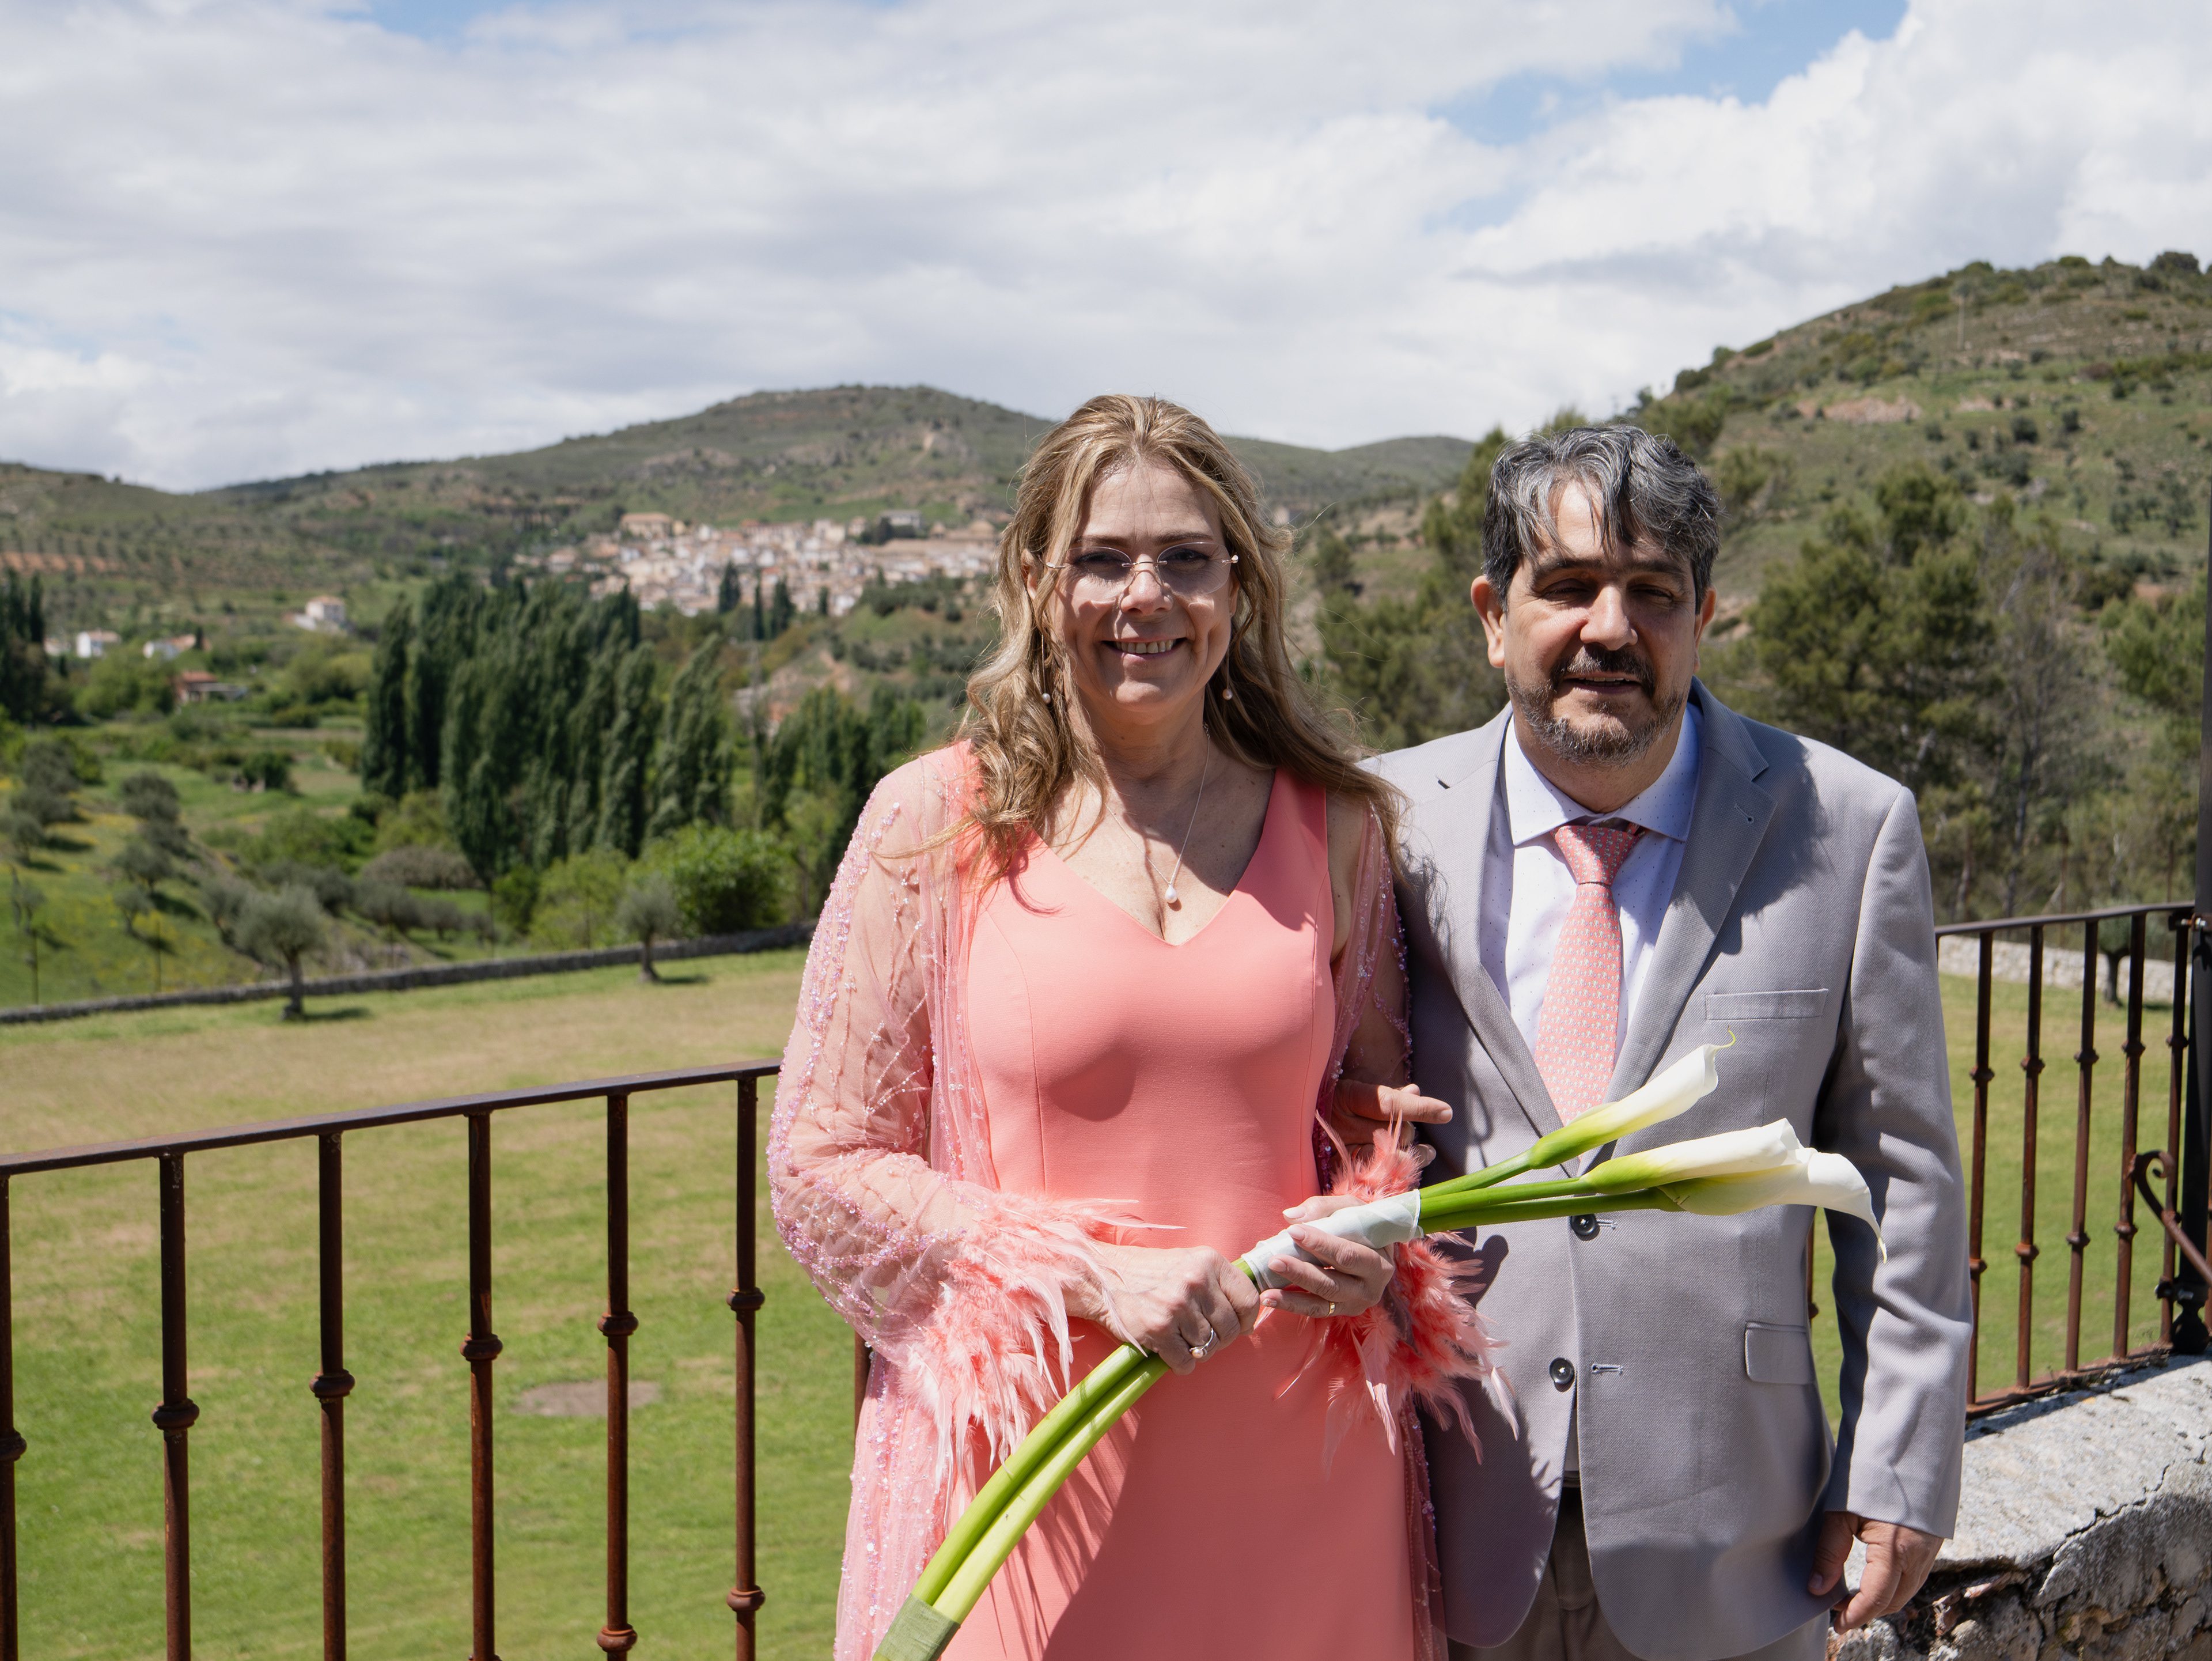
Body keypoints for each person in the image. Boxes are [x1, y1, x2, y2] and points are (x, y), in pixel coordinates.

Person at [771, 394, 1487, 1661]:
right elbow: (820, 1162)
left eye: (1185, 559)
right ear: (1036, 581)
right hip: (1038, 1478)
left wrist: (1374, 1236)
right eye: (1102, 559)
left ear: (1239, 588)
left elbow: (1372, 1118)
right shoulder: (935, 822)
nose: (1144, 596)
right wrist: (1090, 1273)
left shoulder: (1339, 824)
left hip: (1306, 1479)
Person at [1363, 425, 1973, 1660]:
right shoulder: (1378, 820)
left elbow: (1903, 1178)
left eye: (1651, 591)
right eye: (1569, 585)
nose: (1610, 627)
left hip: (1734, 1543)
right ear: (1493, 616)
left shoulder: (1849, 827)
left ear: (1703, 615)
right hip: (1438, 1524)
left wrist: (1901, 1457)